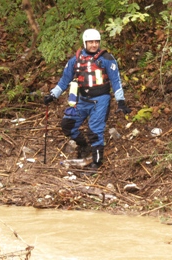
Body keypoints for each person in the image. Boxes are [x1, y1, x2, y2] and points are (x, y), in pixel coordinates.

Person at [43, 29, 131, 170]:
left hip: (101, 99)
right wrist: (53, 95)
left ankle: (97, 162)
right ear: (85, 42)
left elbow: (116, 81)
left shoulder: (107, 59)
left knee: (94, 130)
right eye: (91, 42)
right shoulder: (75, 60)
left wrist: (121, 101)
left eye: (96, 42)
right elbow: (64, 80)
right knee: (68, 125)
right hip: (82, 100)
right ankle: (83, 146)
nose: (94, 45)